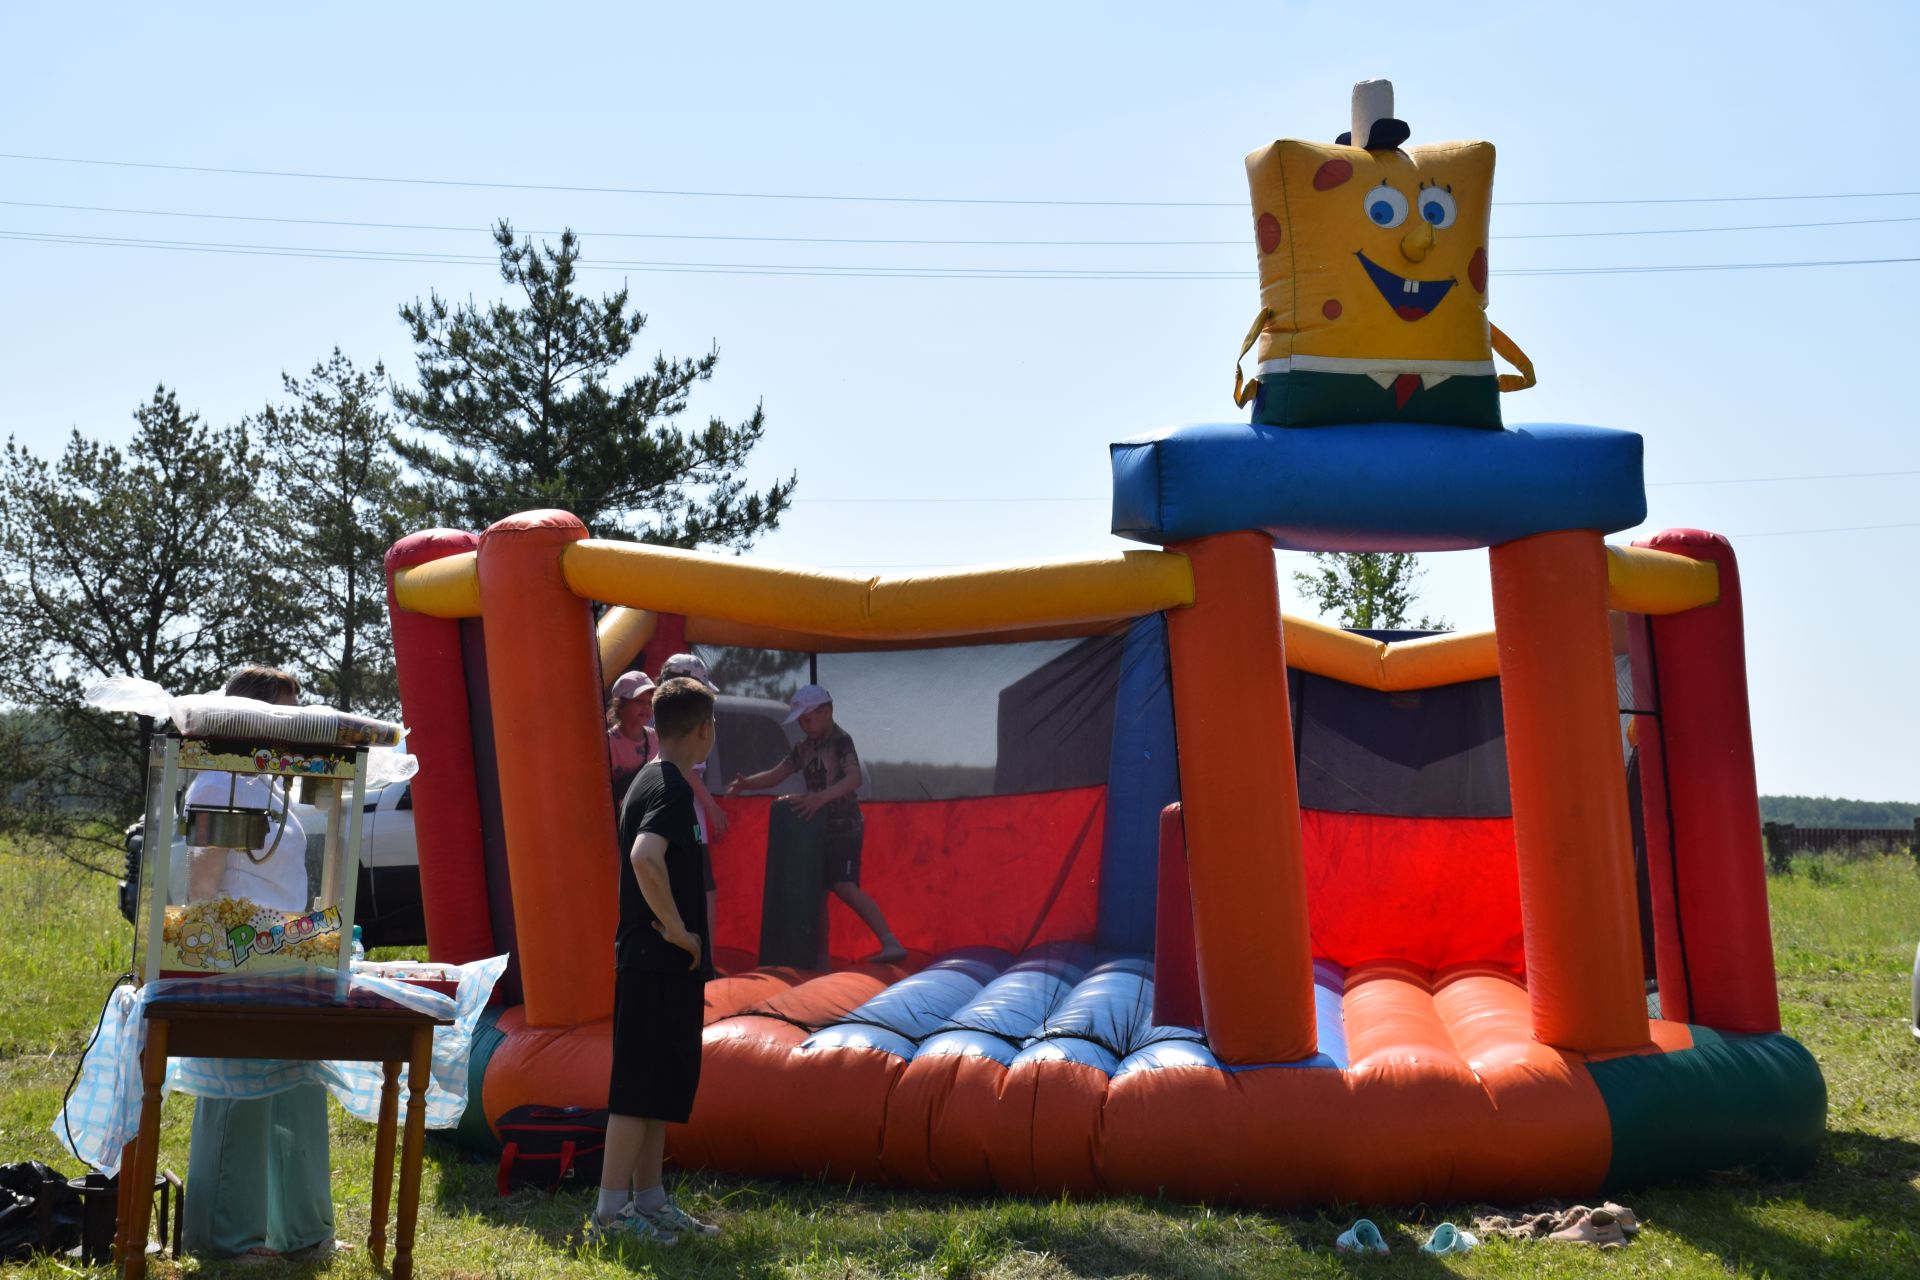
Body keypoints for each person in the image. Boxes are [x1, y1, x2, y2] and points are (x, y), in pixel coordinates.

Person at [181, 665, 337, 1262]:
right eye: (286, 713)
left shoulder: (275, 782)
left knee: (298, 1088)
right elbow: (204, 880)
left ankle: (304, 1232)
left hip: (290, 954)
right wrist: (210, 955)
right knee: (239, 1095)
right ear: (252, 715)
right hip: (237, 957)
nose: (295, 725)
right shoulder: (218, 780)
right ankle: (228, 1237)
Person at [589, 677, 724, 1247]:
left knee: (658, 1085)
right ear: (703, 730)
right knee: (638, 1086)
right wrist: (677, 930)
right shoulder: (668, 785)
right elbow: (647, 858)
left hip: (660, 964)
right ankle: (609, 1215)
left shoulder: (657, 777)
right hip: (654, 956)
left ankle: (649, 1200)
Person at [727, 684, 906, 964]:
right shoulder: (805, 747)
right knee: (818, 893)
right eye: (800, 720)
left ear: (826, 711)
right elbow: (777, 774)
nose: (803, 724)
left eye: (807, 719)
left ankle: (890, 941)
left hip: (844, 825)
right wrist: (748, 783)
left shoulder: (840, 741)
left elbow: (853, 779)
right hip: (820, 829)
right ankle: (820, 959)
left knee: (845, 886)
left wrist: (820, 797)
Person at [606, 670, 658, 801]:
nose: (646, 707)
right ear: (620, 705)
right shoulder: (608, 743)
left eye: (650, 703)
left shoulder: (654, 738)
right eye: (639, 701)